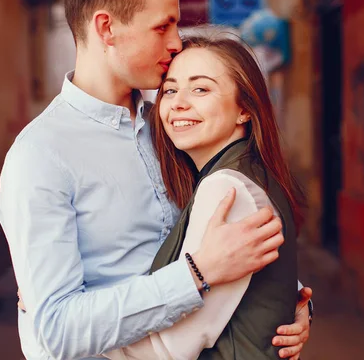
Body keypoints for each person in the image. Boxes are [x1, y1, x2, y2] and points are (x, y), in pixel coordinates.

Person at [0, 0, 312, 359]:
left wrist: (289, 303)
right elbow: (57, 332)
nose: (177, 43)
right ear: (106, 28)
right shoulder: (41, 157)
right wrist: (196, 275)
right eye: (162, 27)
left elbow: (220, 236)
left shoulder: (172, 125)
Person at [101, 35, 306, 360]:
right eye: (170, 90)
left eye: (201, 89)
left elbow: (166, 349)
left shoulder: (226, 190)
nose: (178, 103)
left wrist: (71, 321)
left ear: (244, 110)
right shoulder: (245, 175)